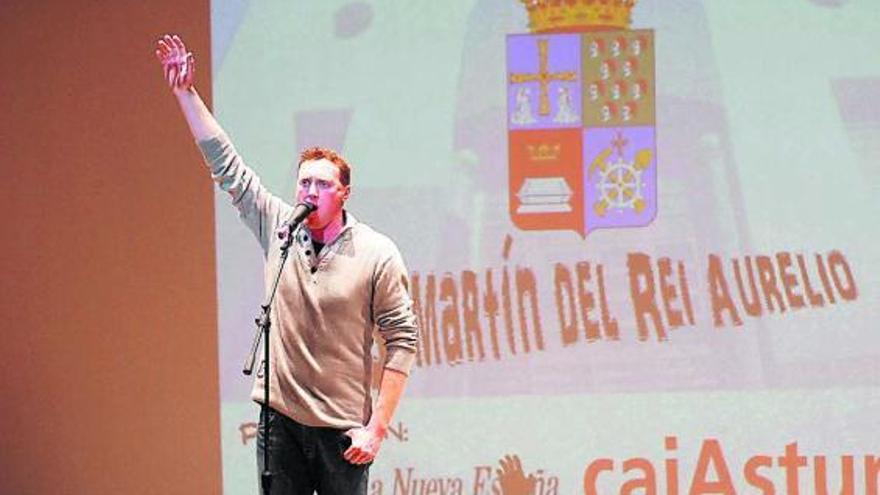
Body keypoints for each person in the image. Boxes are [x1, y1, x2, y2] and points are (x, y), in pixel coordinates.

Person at [155, 34, 419, 494]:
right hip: (280, 421)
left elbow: (402, 342)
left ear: (344, 193)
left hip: (341, 430)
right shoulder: (280, 227)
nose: (309, 192)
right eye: (303, 184)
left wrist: (376, 429)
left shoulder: (377, 253)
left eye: (321, 184)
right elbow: (228, 168)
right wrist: (185, 93)